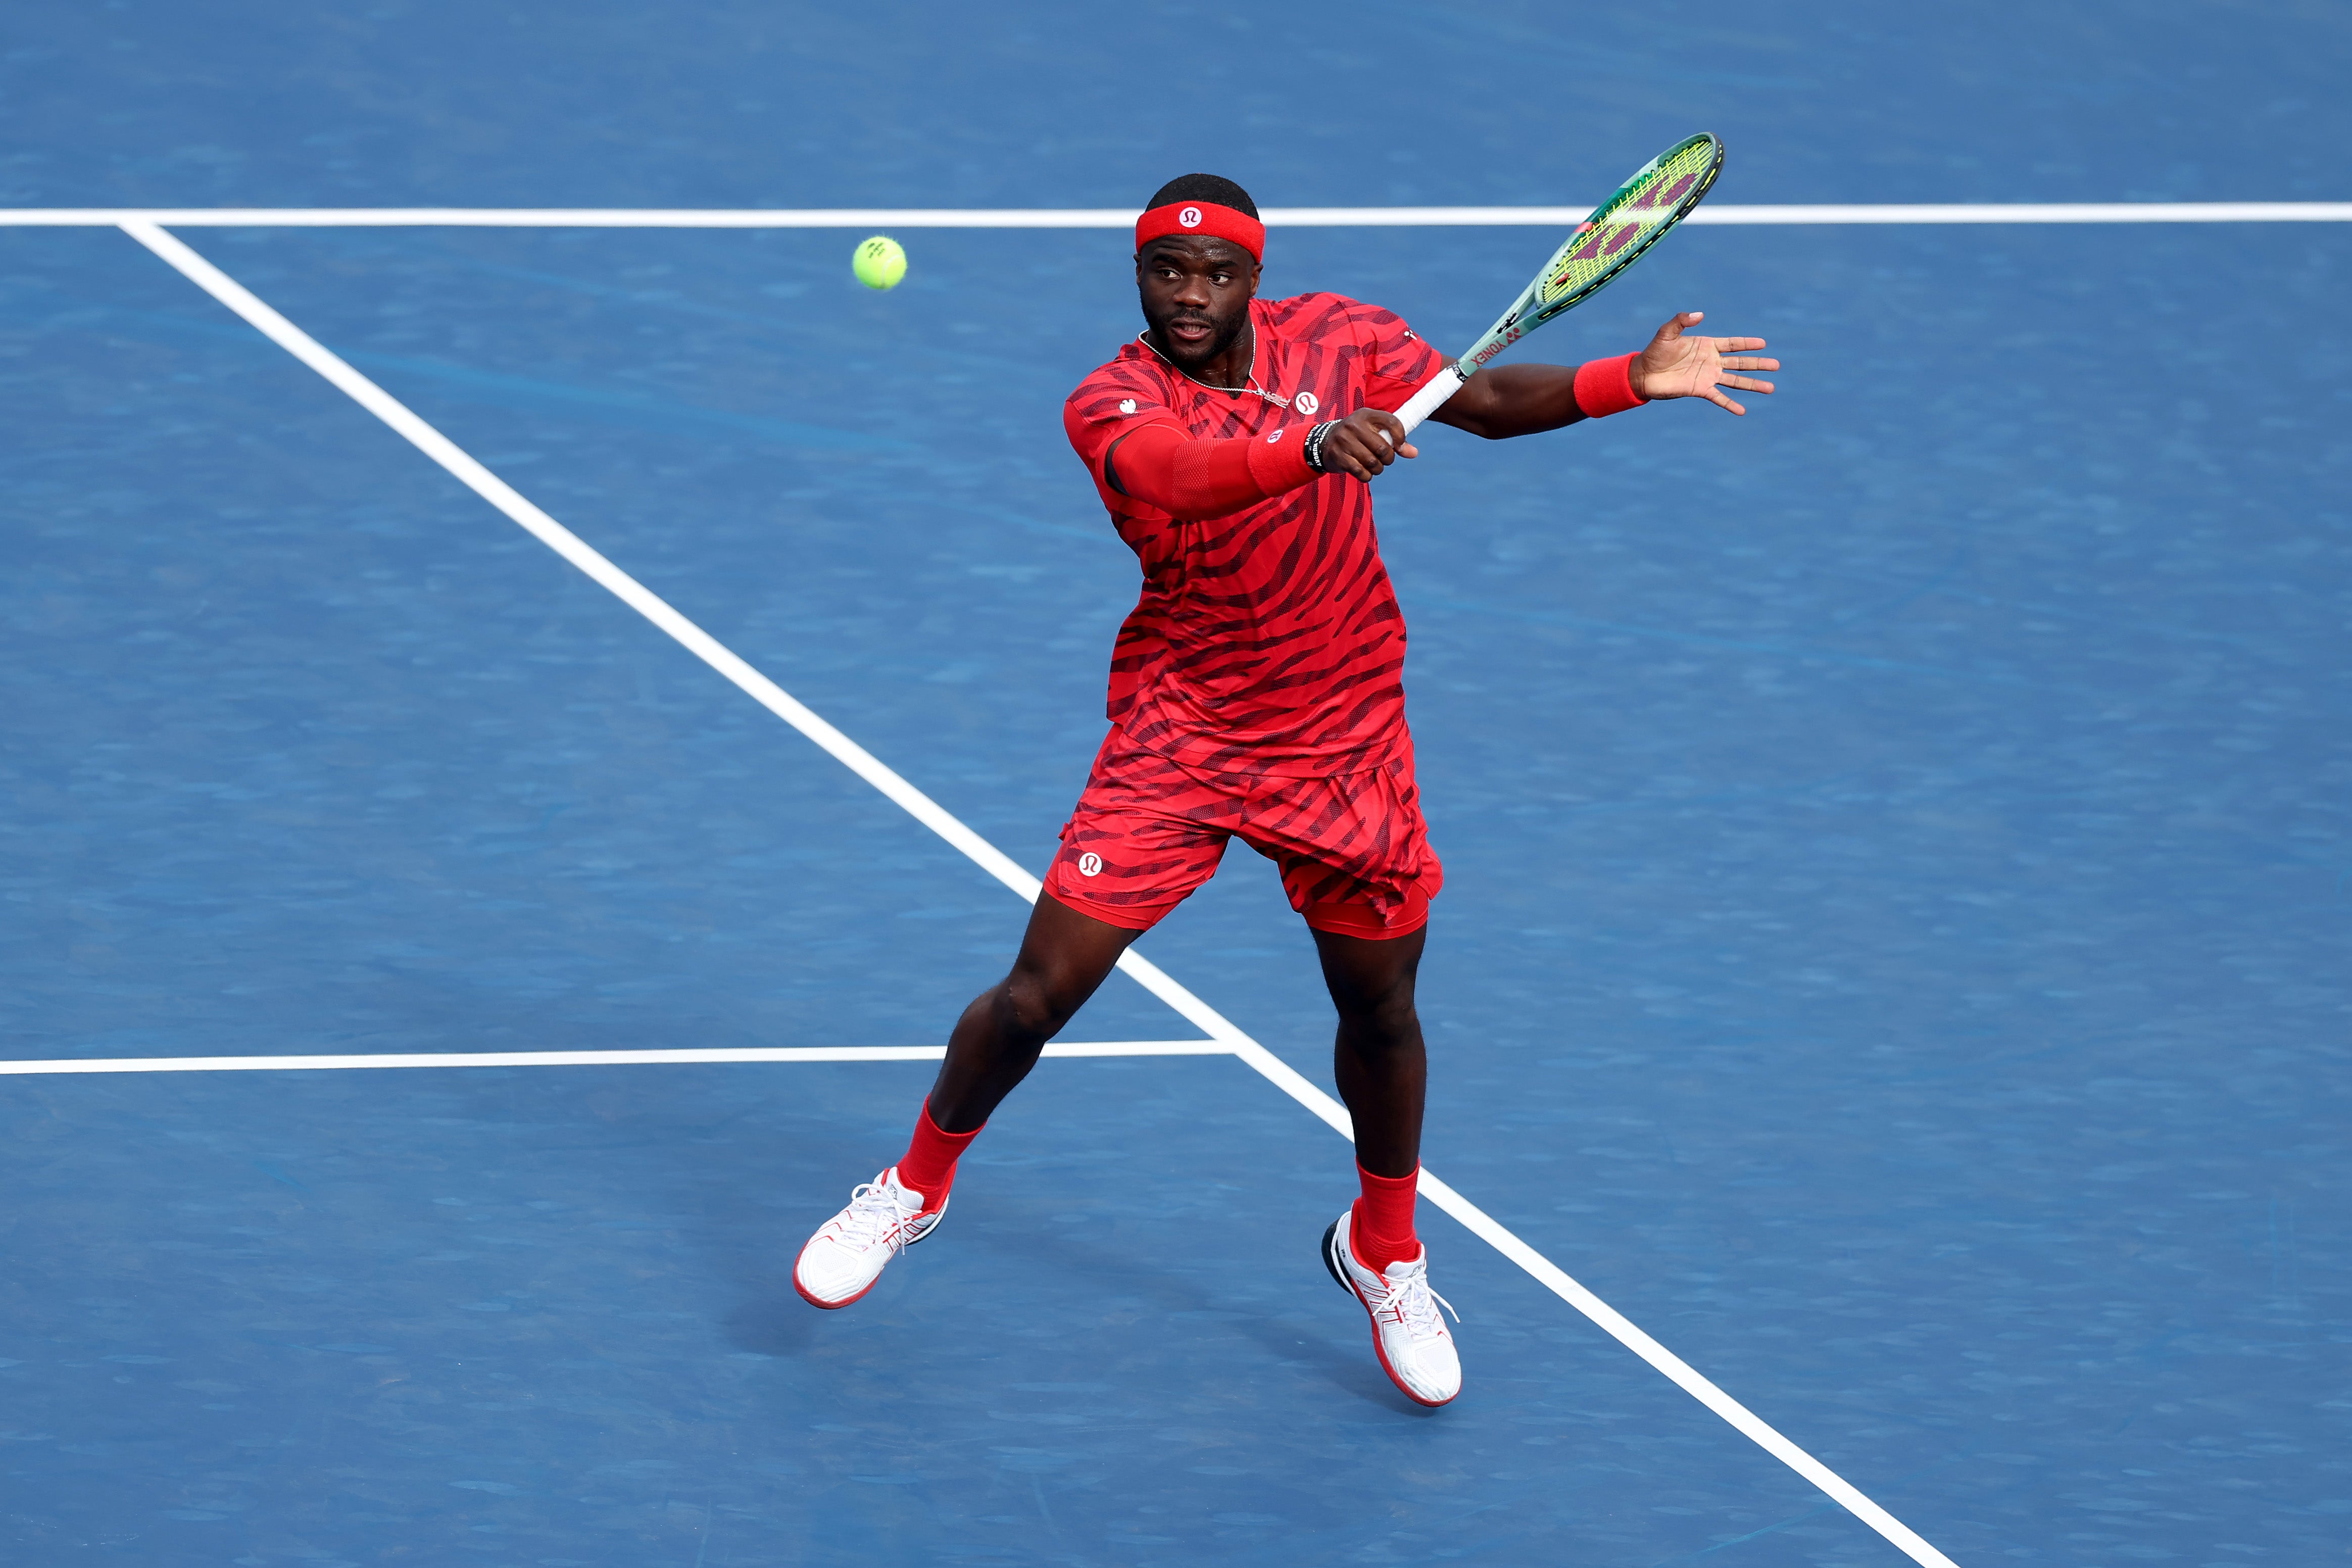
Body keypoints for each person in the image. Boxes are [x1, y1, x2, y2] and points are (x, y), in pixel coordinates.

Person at [794, 173, 1776, 1407]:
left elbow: (1477, 399)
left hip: (1345, 732)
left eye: (1217, 275)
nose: (1191, 295)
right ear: (1139, 274)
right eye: (1168, 272)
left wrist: (1619, 383)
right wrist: (1311, 444)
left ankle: (1384, 1244)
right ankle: (915, 1184)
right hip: (1185, 731)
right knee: (1040, 989)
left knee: (1381, 1011)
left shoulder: (1348, 338)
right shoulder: (1109, 400)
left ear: (1257, 276)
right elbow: (1177, 475)